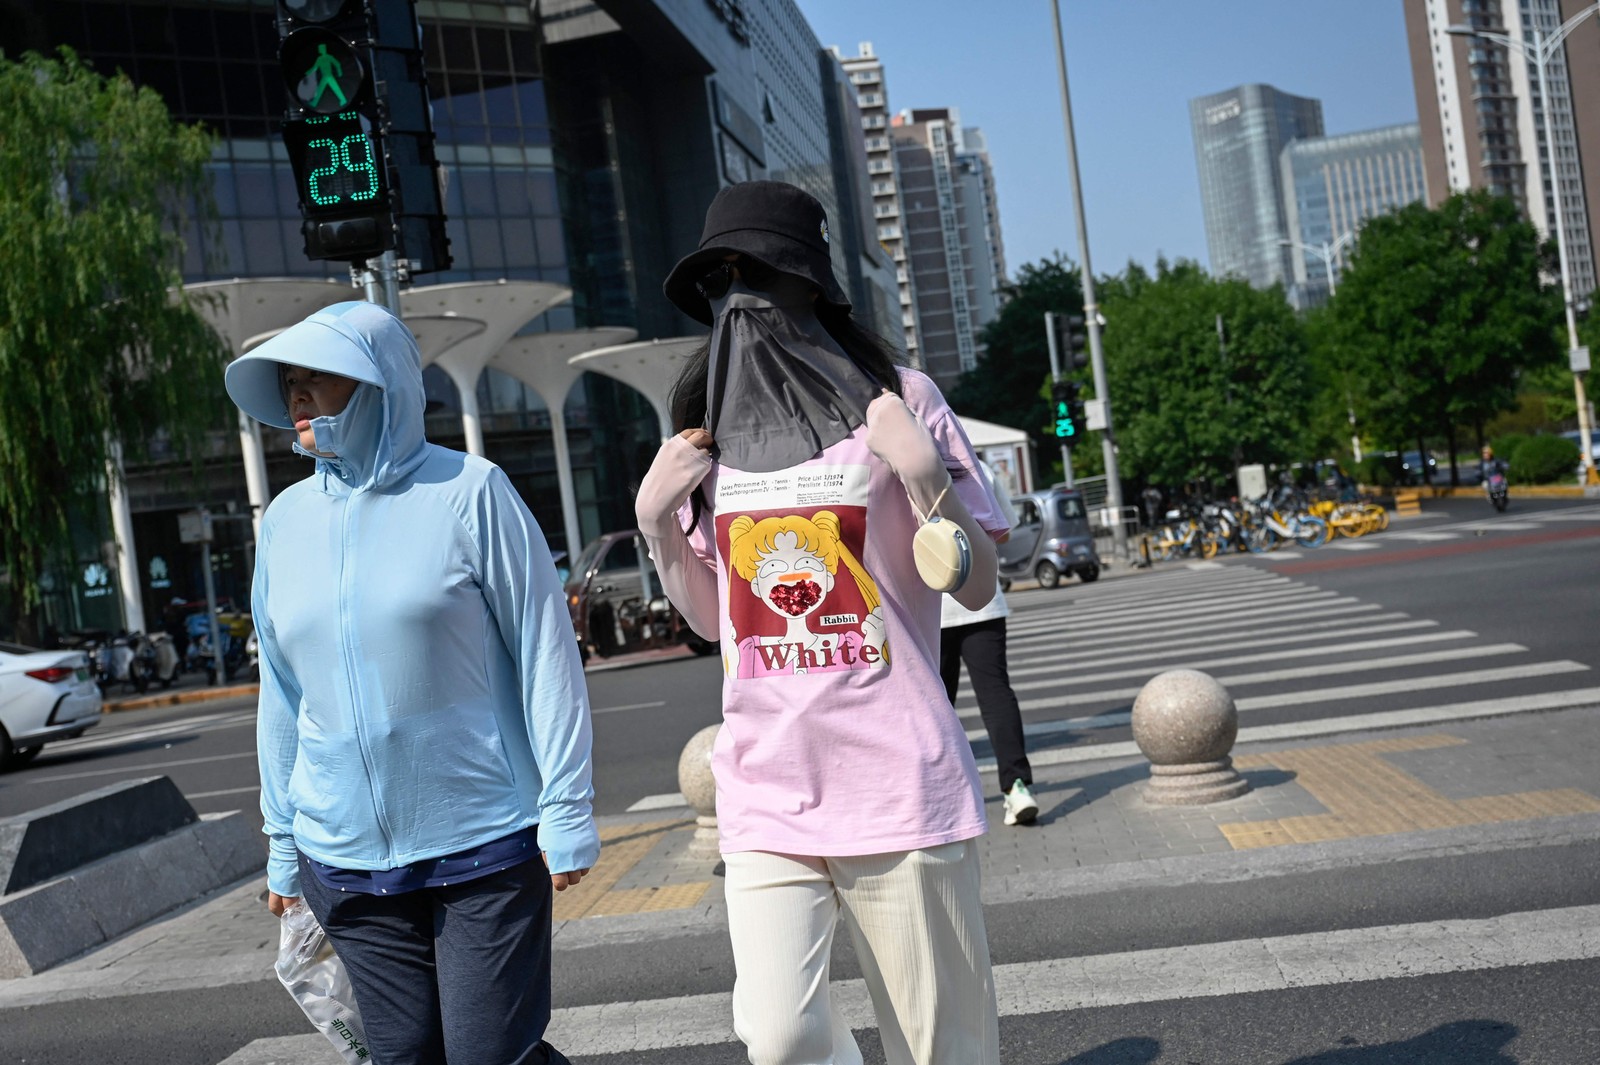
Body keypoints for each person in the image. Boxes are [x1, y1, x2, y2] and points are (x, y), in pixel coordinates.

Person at [636, 180, 1007, 1065]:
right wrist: (658, 525)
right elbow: (720, 623)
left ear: (808, 281)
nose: (740, 295)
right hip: (765, 781)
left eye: (755, 270)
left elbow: (978, 581)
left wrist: (926, 480)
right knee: (780, 1034)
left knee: (941, 1048)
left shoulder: (900, 397)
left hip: (896, 779)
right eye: (719, 278)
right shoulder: (707, 428)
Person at [224, 301, 597, 1065]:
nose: (297, 397)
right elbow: (284, 696)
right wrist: (283, 843)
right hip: (345, 860)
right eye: (288, 383)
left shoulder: (469, 491)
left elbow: (546, 652)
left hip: (484, 842)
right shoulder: (284, 523)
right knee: (405, 1058)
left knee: (487, 1054)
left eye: (317, 381)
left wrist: (566, 809)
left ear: (377, 384)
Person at [941, 459, 1038, 827]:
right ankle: (1016, 787)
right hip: (983, 598)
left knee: (936, 705)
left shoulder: (898, 462)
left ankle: (947, 795)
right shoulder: (977, 467)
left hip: (929, 606)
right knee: (996, 695)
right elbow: (1005, 532)